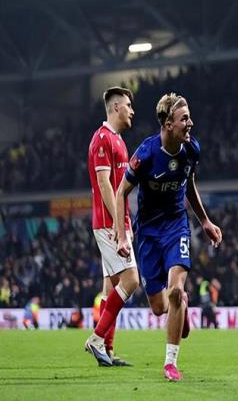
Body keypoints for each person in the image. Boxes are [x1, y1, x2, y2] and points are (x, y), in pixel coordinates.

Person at [115, 91, 222, 382]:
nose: (190, 123)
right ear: (168, 124)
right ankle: (180, 308)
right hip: (148, 233)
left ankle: (170, 363)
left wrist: (204, 221)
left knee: (175, 290)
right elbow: (121, 191)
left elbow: (189, 183)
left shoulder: (191, 149)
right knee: (160, 307)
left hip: (176, 226)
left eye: (189, 117)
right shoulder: (147, 153)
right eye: (184, 118)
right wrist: (122, 236)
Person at [85, 86, 139, 367]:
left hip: (118, 223)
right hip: (108, 224)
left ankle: (107, 349)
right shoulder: (102, 139)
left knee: (111, 287)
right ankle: (96, 340)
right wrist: (119, 226)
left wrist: (126, 222)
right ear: (116, 107)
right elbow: (105, 185)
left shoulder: (118, 140)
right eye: (128, 105)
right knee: (131, 280)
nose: (132, 111)